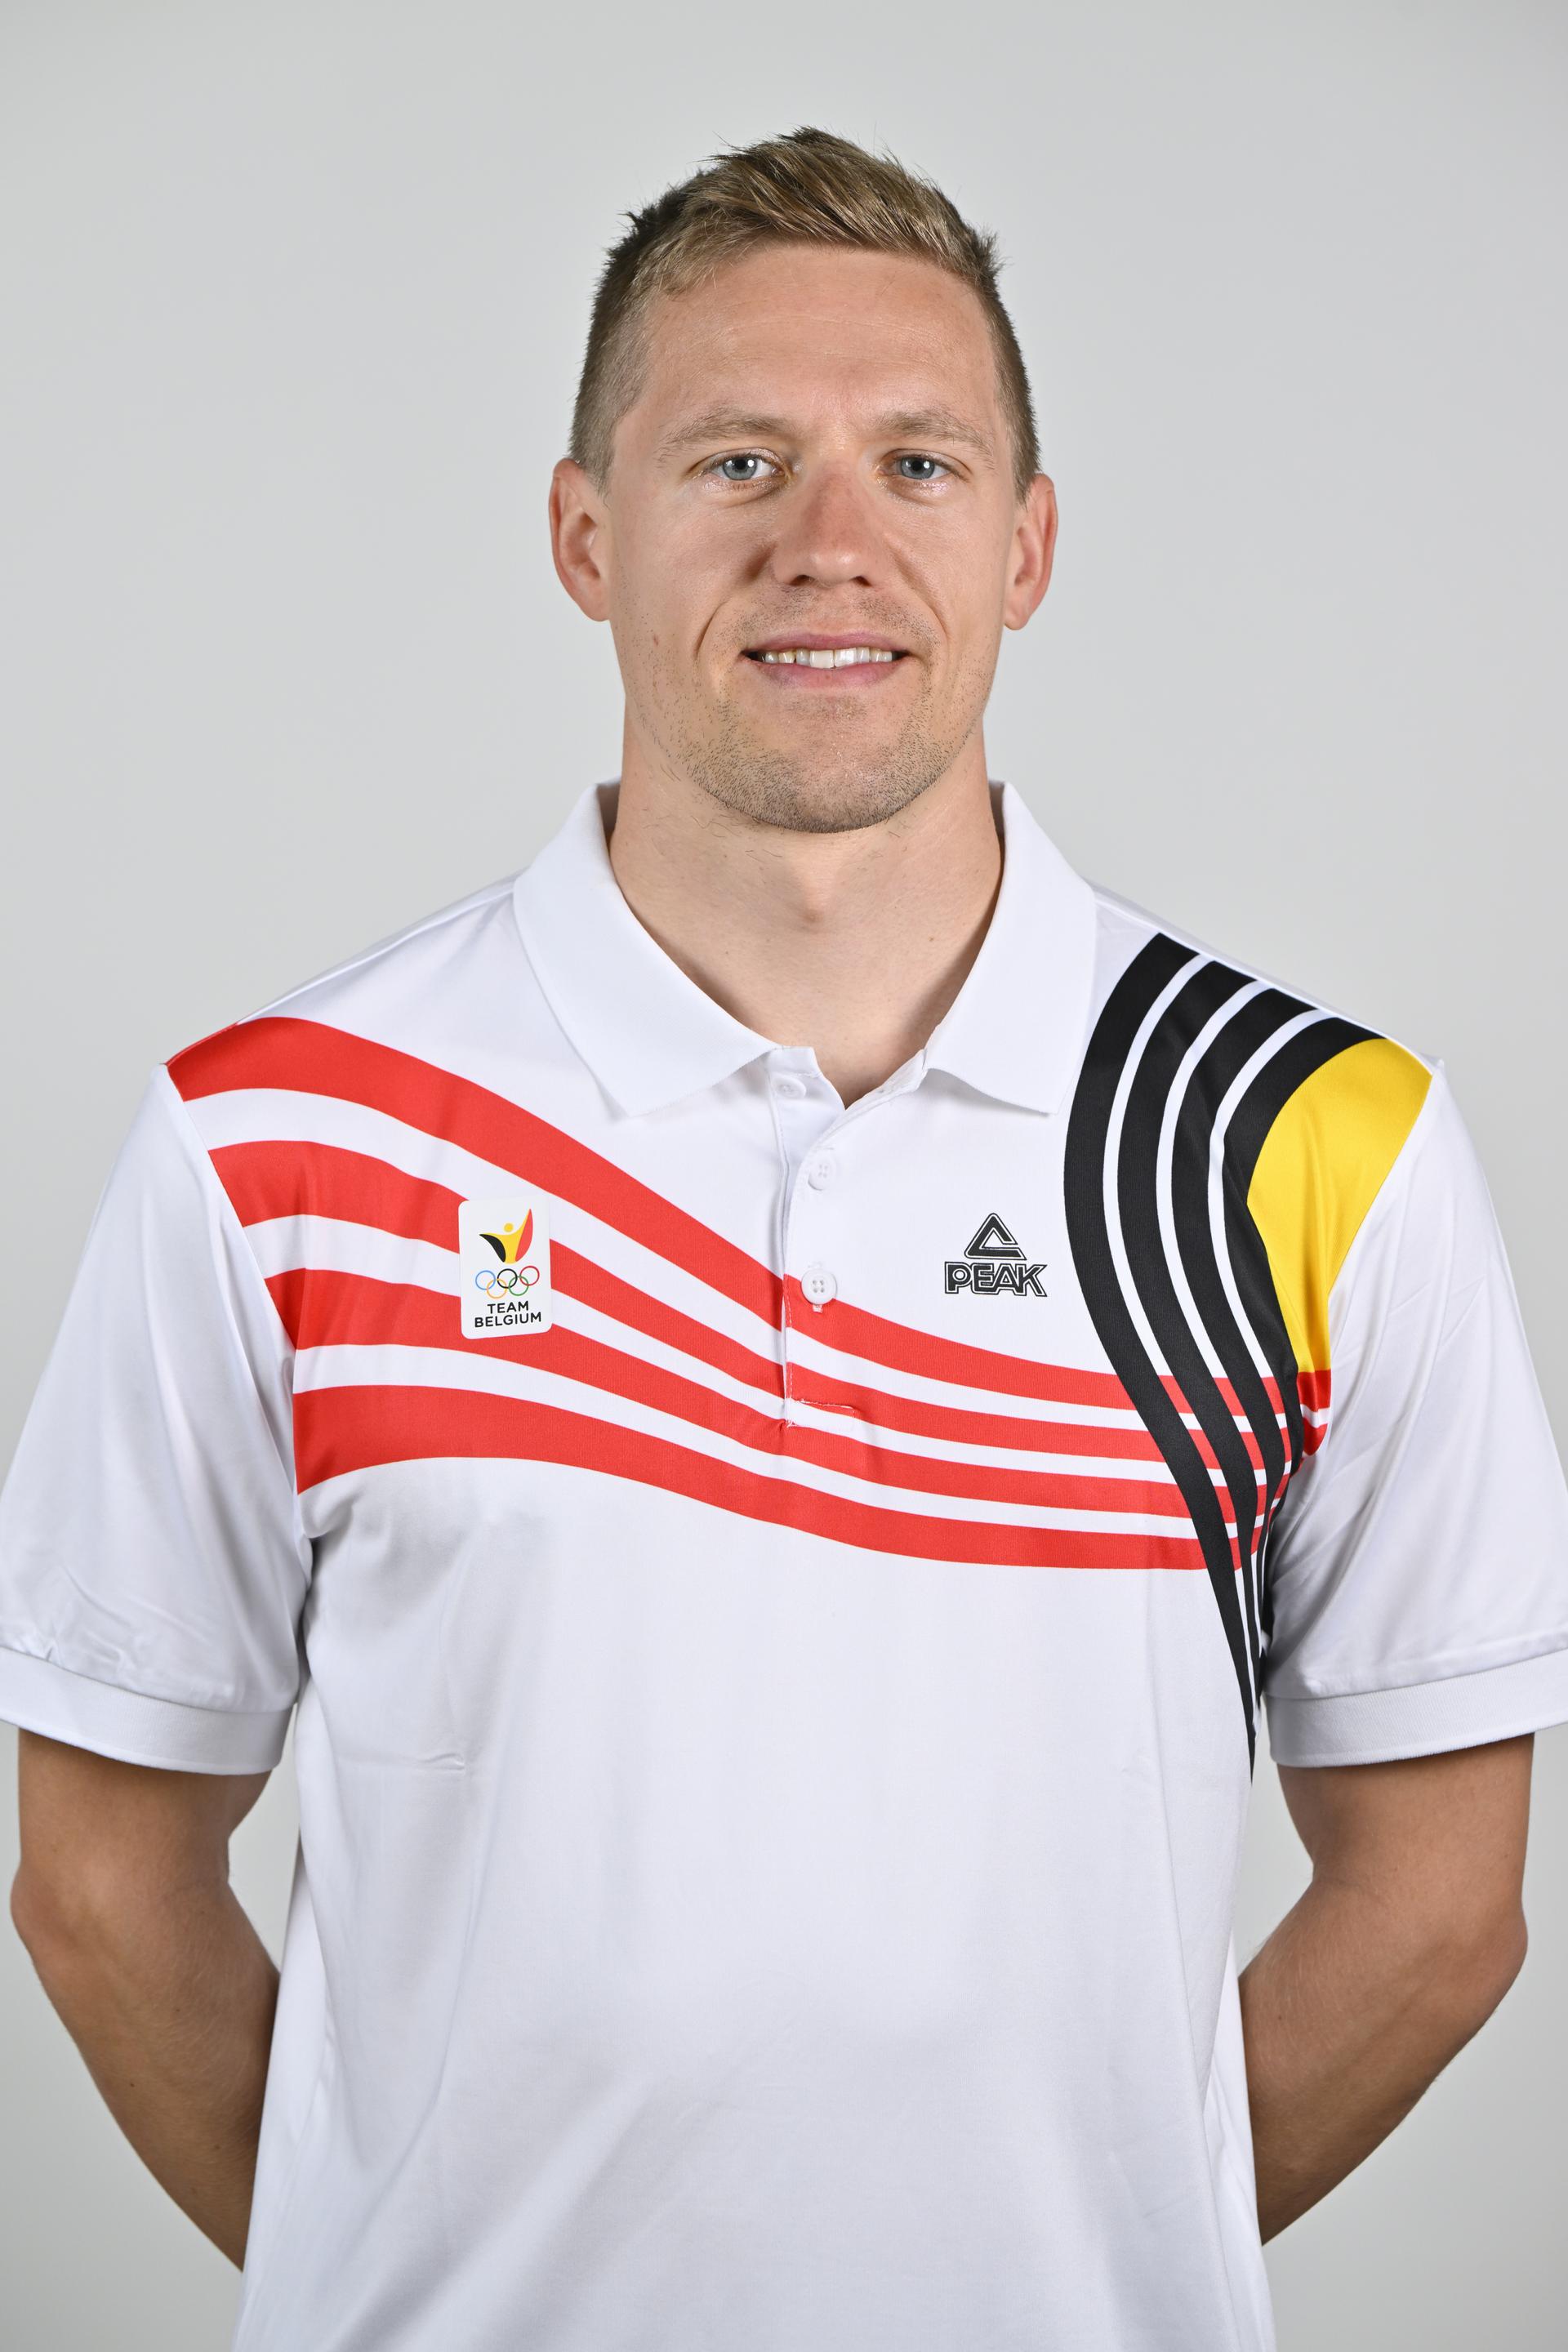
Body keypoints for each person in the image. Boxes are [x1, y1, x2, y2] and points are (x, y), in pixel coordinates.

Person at [4, 123, 1566, 2352]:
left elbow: (1439, 1910)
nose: (830, 544)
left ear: (1029, 547)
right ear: (581, 534)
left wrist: (1074, 2268)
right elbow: (97, 1884)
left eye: (919, 466)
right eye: (736, 458)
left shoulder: (1314, 1150)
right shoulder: (273, 1144)